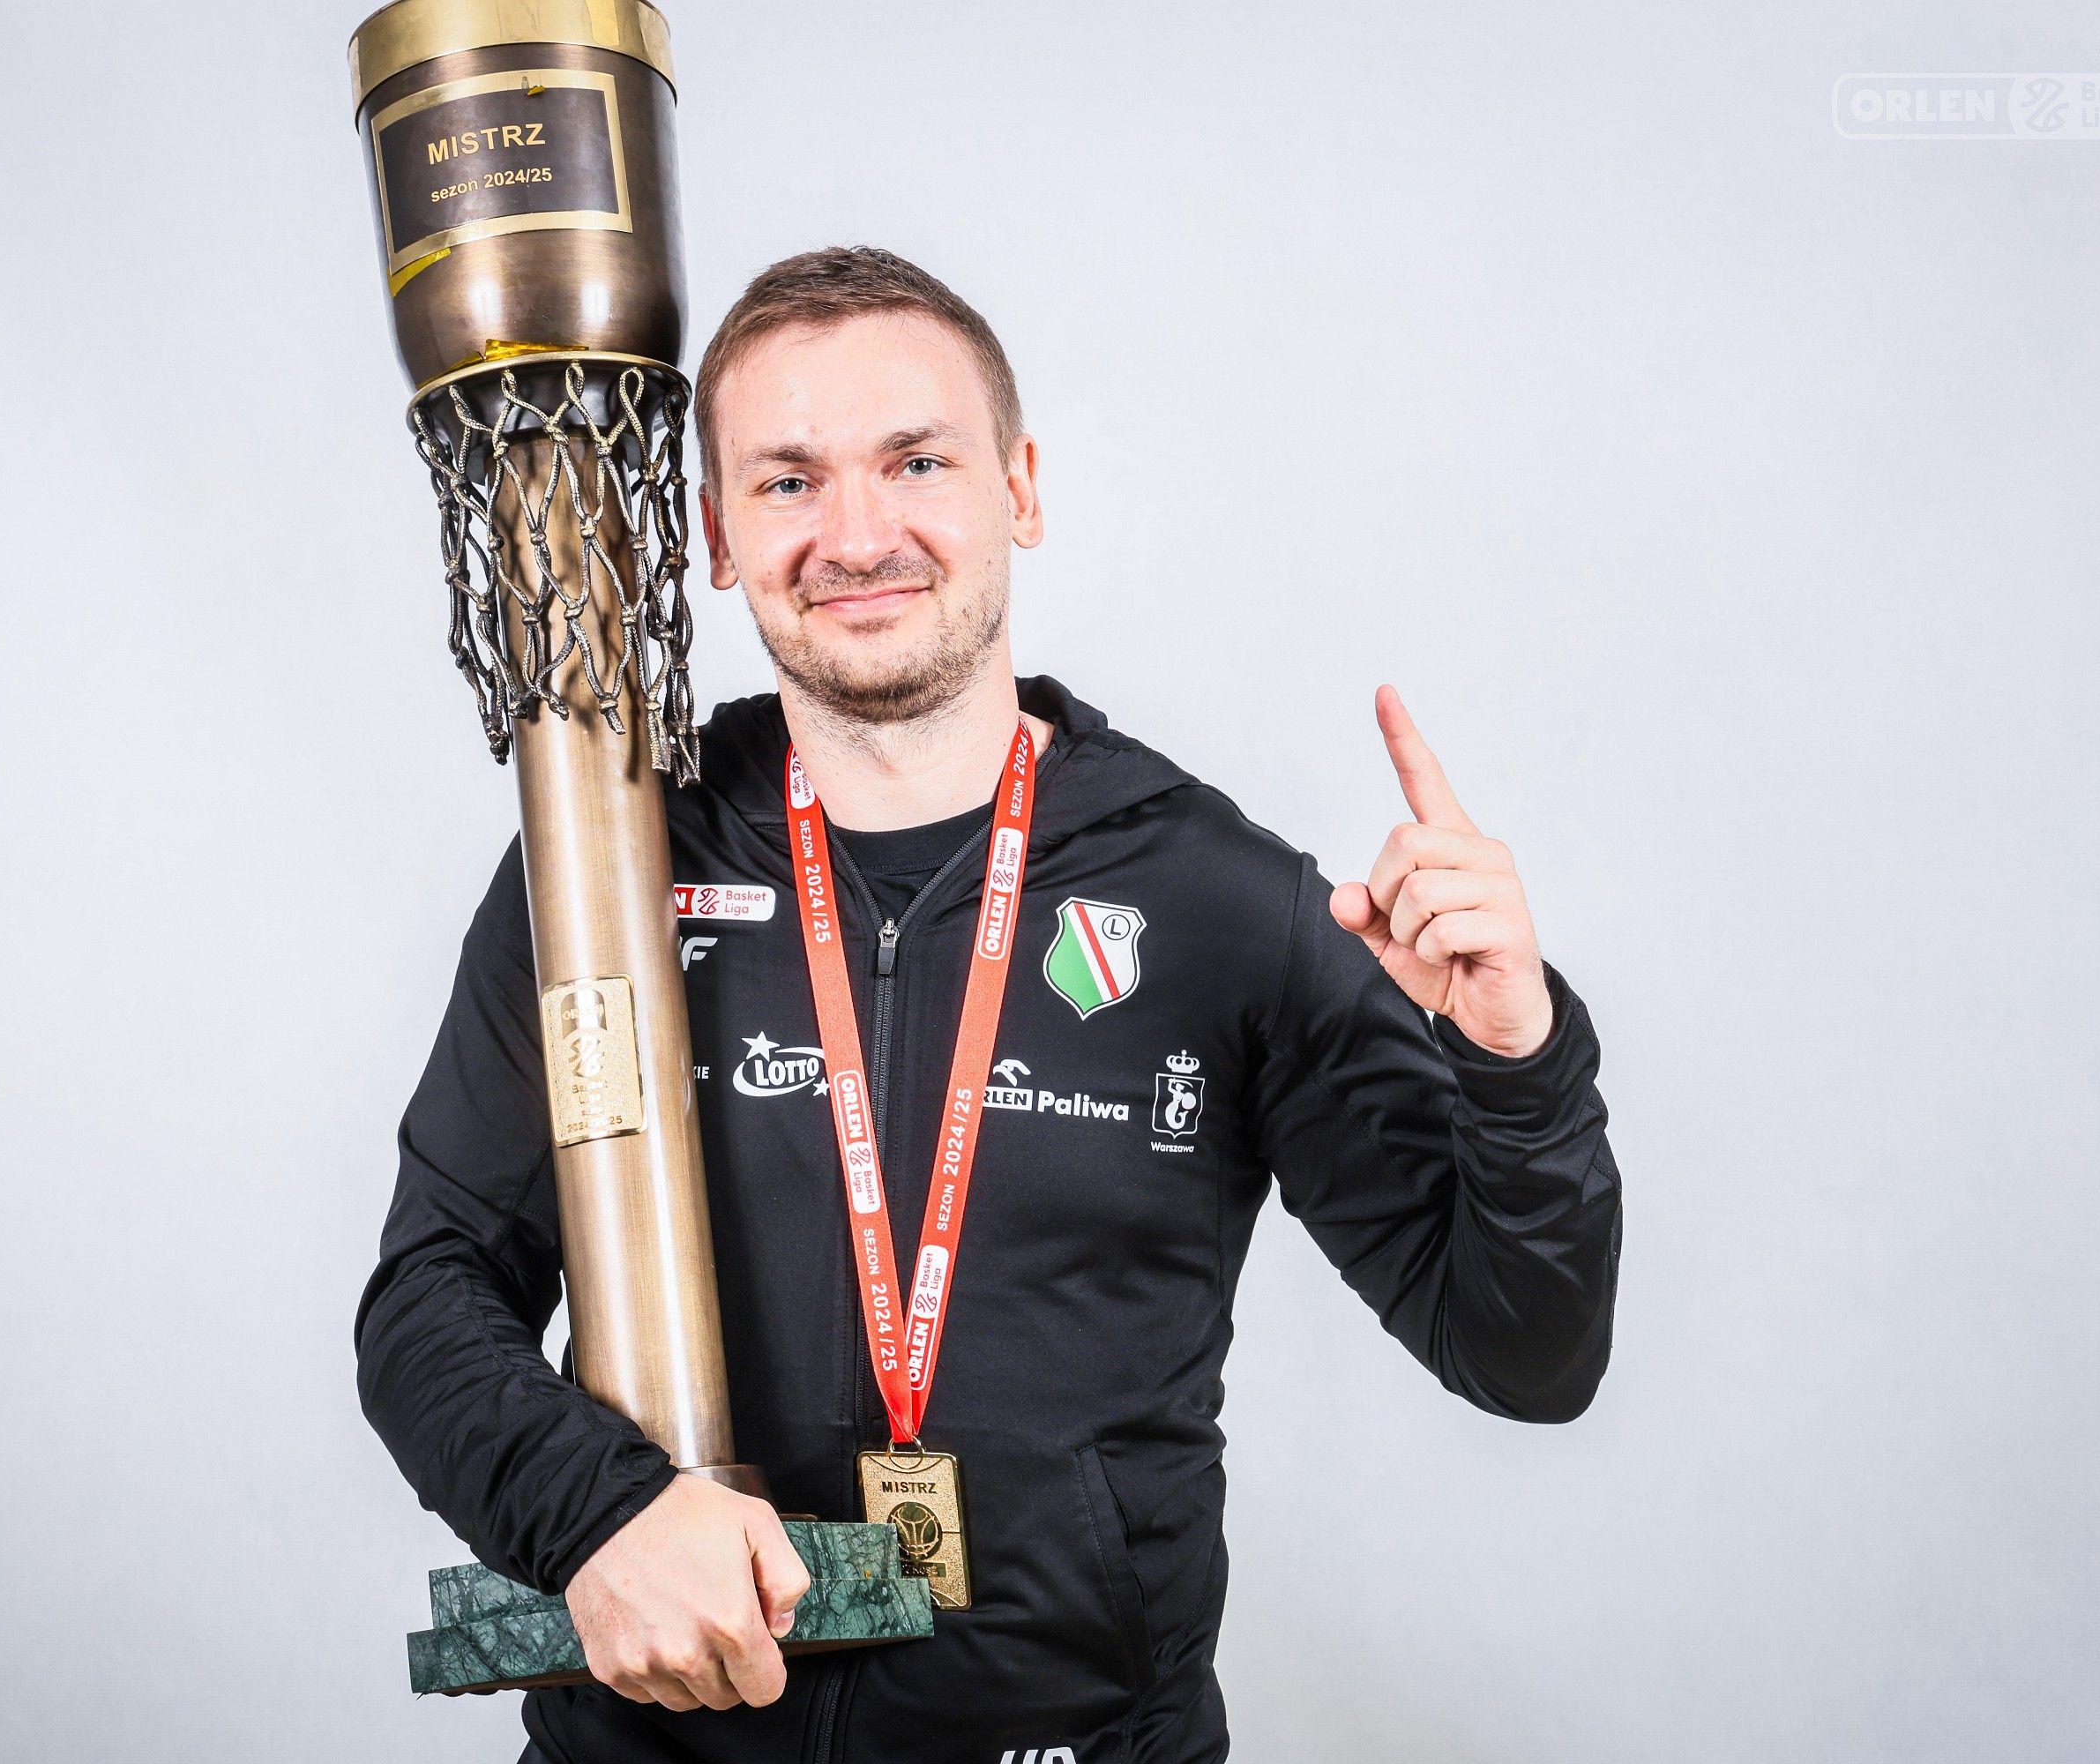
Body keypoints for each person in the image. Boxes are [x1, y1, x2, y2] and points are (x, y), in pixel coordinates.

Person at [356, 247, 1623, 1764]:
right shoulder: (607, 875)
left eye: (917, 461)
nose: (857, 535)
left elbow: (1527, 1351)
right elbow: (427, 1299)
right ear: (715, 534)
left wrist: (1518, 1064)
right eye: (789, 481)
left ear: (1019, 488)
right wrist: (599, 1515)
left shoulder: (1216, 901)